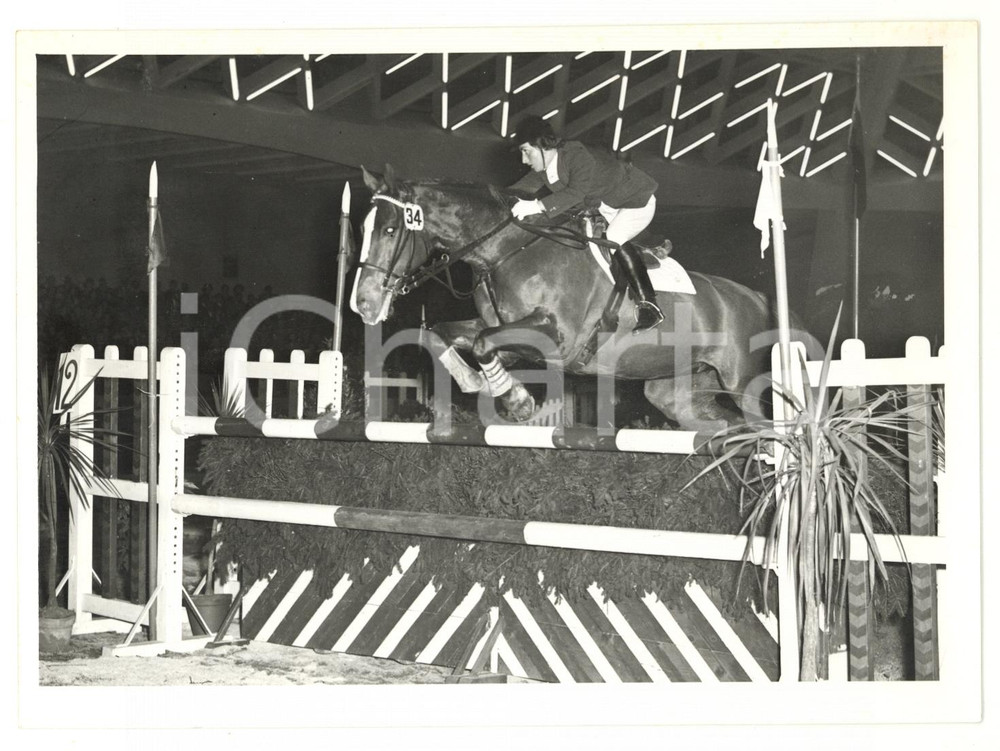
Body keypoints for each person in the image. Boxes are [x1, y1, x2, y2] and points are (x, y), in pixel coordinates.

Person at [508, 115, 665, 332]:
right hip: (605, 206)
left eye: (526, 151)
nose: (524, 160)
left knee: (613, 238)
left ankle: (649, 305)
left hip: (636, 201)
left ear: (543, 146)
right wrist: (501, 200)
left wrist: (535, 206)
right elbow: (521, 189)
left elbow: (575, 193)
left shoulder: (576, 154)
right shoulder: (544, 168)